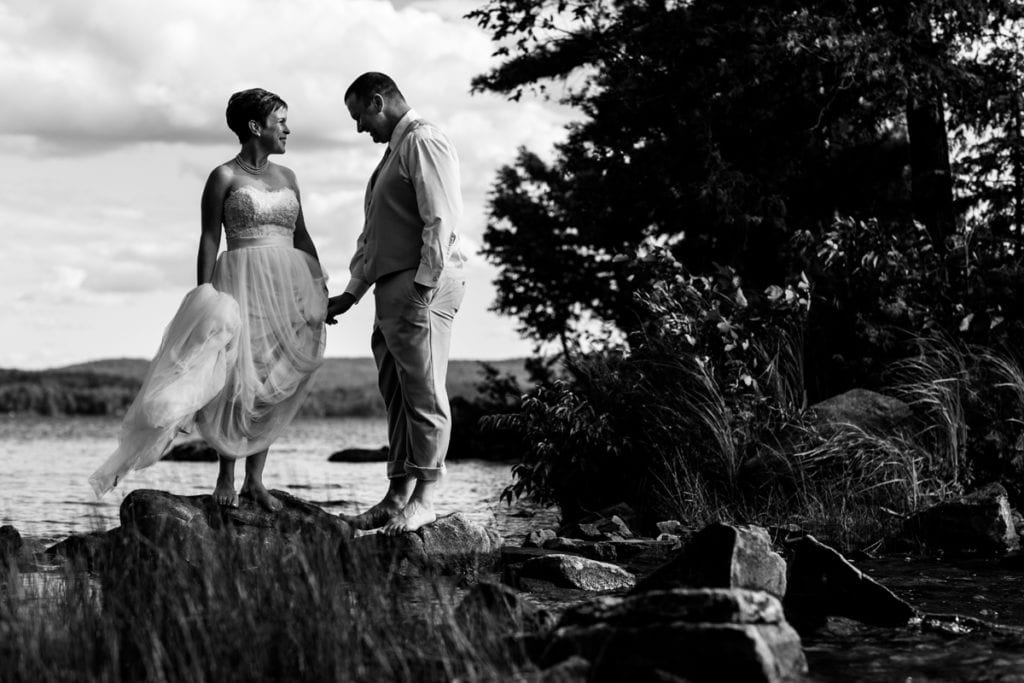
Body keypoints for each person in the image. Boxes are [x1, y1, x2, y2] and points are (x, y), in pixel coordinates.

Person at [89, 88, 328, 512]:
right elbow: (208, 238)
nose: (288, 129)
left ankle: (256, 481)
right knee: (236, 378)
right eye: (281, 121)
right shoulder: (223, 177)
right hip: (240, 280)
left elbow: (302, 235)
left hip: (286, 286)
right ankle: (226, 477)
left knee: (271, 382)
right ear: (256, 127)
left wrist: (318, 285)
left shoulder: (289, 178)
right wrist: (204, 295)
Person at [326, 72, 466, 535]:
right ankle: (397, 495)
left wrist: (424, 285)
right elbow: (374, 237)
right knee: (398, 395)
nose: (360, 129)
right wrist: (351, 293)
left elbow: (441, 217)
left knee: (424, 391)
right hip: (392, 286)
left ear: (378, 101)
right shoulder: (393, 153)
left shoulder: (423, 141)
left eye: (360, 116)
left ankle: (425, 497)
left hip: (420, 285)